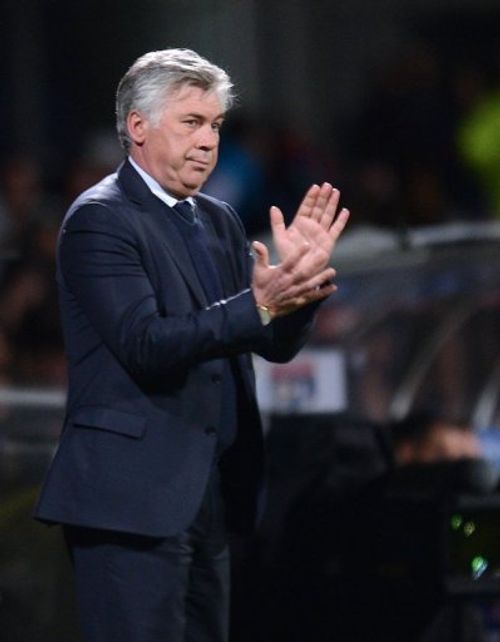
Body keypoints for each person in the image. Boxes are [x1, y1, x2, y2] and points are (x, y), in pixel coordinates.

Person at [34, 48, 349, 642]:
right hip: (131, 500)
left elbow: (268, 342)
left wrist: (296, 289)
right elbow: (145, 343)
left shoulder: (220, 220)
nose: (208, 141)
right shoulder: (100, 219)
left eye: (216, 126)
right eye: (191, 123)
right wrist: (260, 303)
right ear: (137, 127)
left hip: (208, 492)